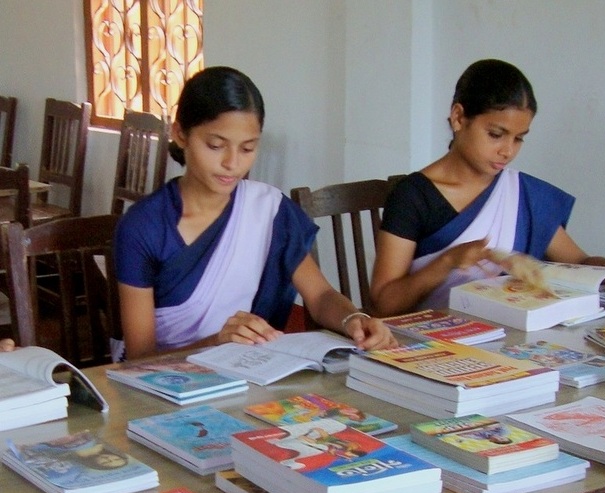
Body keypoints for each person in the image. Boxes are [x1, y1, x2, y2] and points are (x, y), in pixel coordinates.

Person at [114, 66, 397, 360]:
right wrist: (217, 342)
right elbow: (140, 358)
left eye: (248, 148)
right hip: (161, 387)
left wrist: (353, 319)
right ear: (180, 134)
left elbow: (321, 296)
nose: (232, 163)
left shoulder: (268, 210)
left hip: (248, 372)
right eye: (215, 145)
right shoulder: (143, 227)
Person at [370, 59, 605, 316]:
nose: (507, 151)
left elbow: (578, 263)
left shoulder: (520, 193)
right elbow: (385, 303)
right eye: (496, 134)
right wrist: (447, 261)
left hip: (509, 339)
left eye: (519, 138)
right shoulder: (414, 197)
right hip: (431, 343)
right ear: (459, 118)